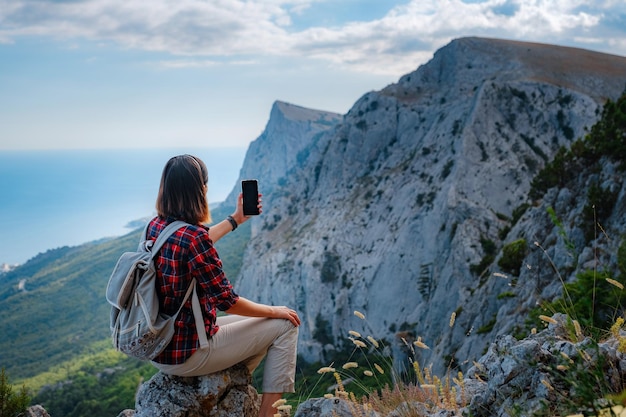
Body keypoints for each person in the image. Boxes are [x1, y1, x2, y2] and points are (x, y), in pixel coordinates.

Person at [147, 154, 300, 417]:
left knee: (261, 325)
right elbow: (227, 301)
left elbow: (193, 241)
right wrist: (275, 311)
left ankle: (232, 386)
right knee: (285, 325)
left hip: (160, 345)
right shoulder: (195, 240)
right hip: (189, 352)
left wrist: (235, 220)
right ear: (201, 190)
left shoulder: (156, 226)